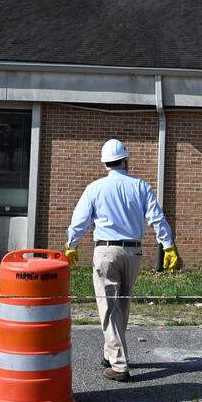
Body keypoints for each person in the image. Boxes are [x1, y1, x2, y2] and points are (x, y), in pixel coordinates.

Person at [66, 139, 180, 382]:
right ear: (125, 160)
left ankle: (119, 365)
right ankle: (110, 354)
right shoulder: (140, 186)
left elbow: (79, 222)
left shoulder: (95, 188)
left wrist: (71, 245)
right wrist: (168, 245)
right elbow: (156, 218)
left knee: (108, 307)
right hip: (133, 252)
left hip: (106, 251)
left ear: (105, 163)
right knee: (122, 306)